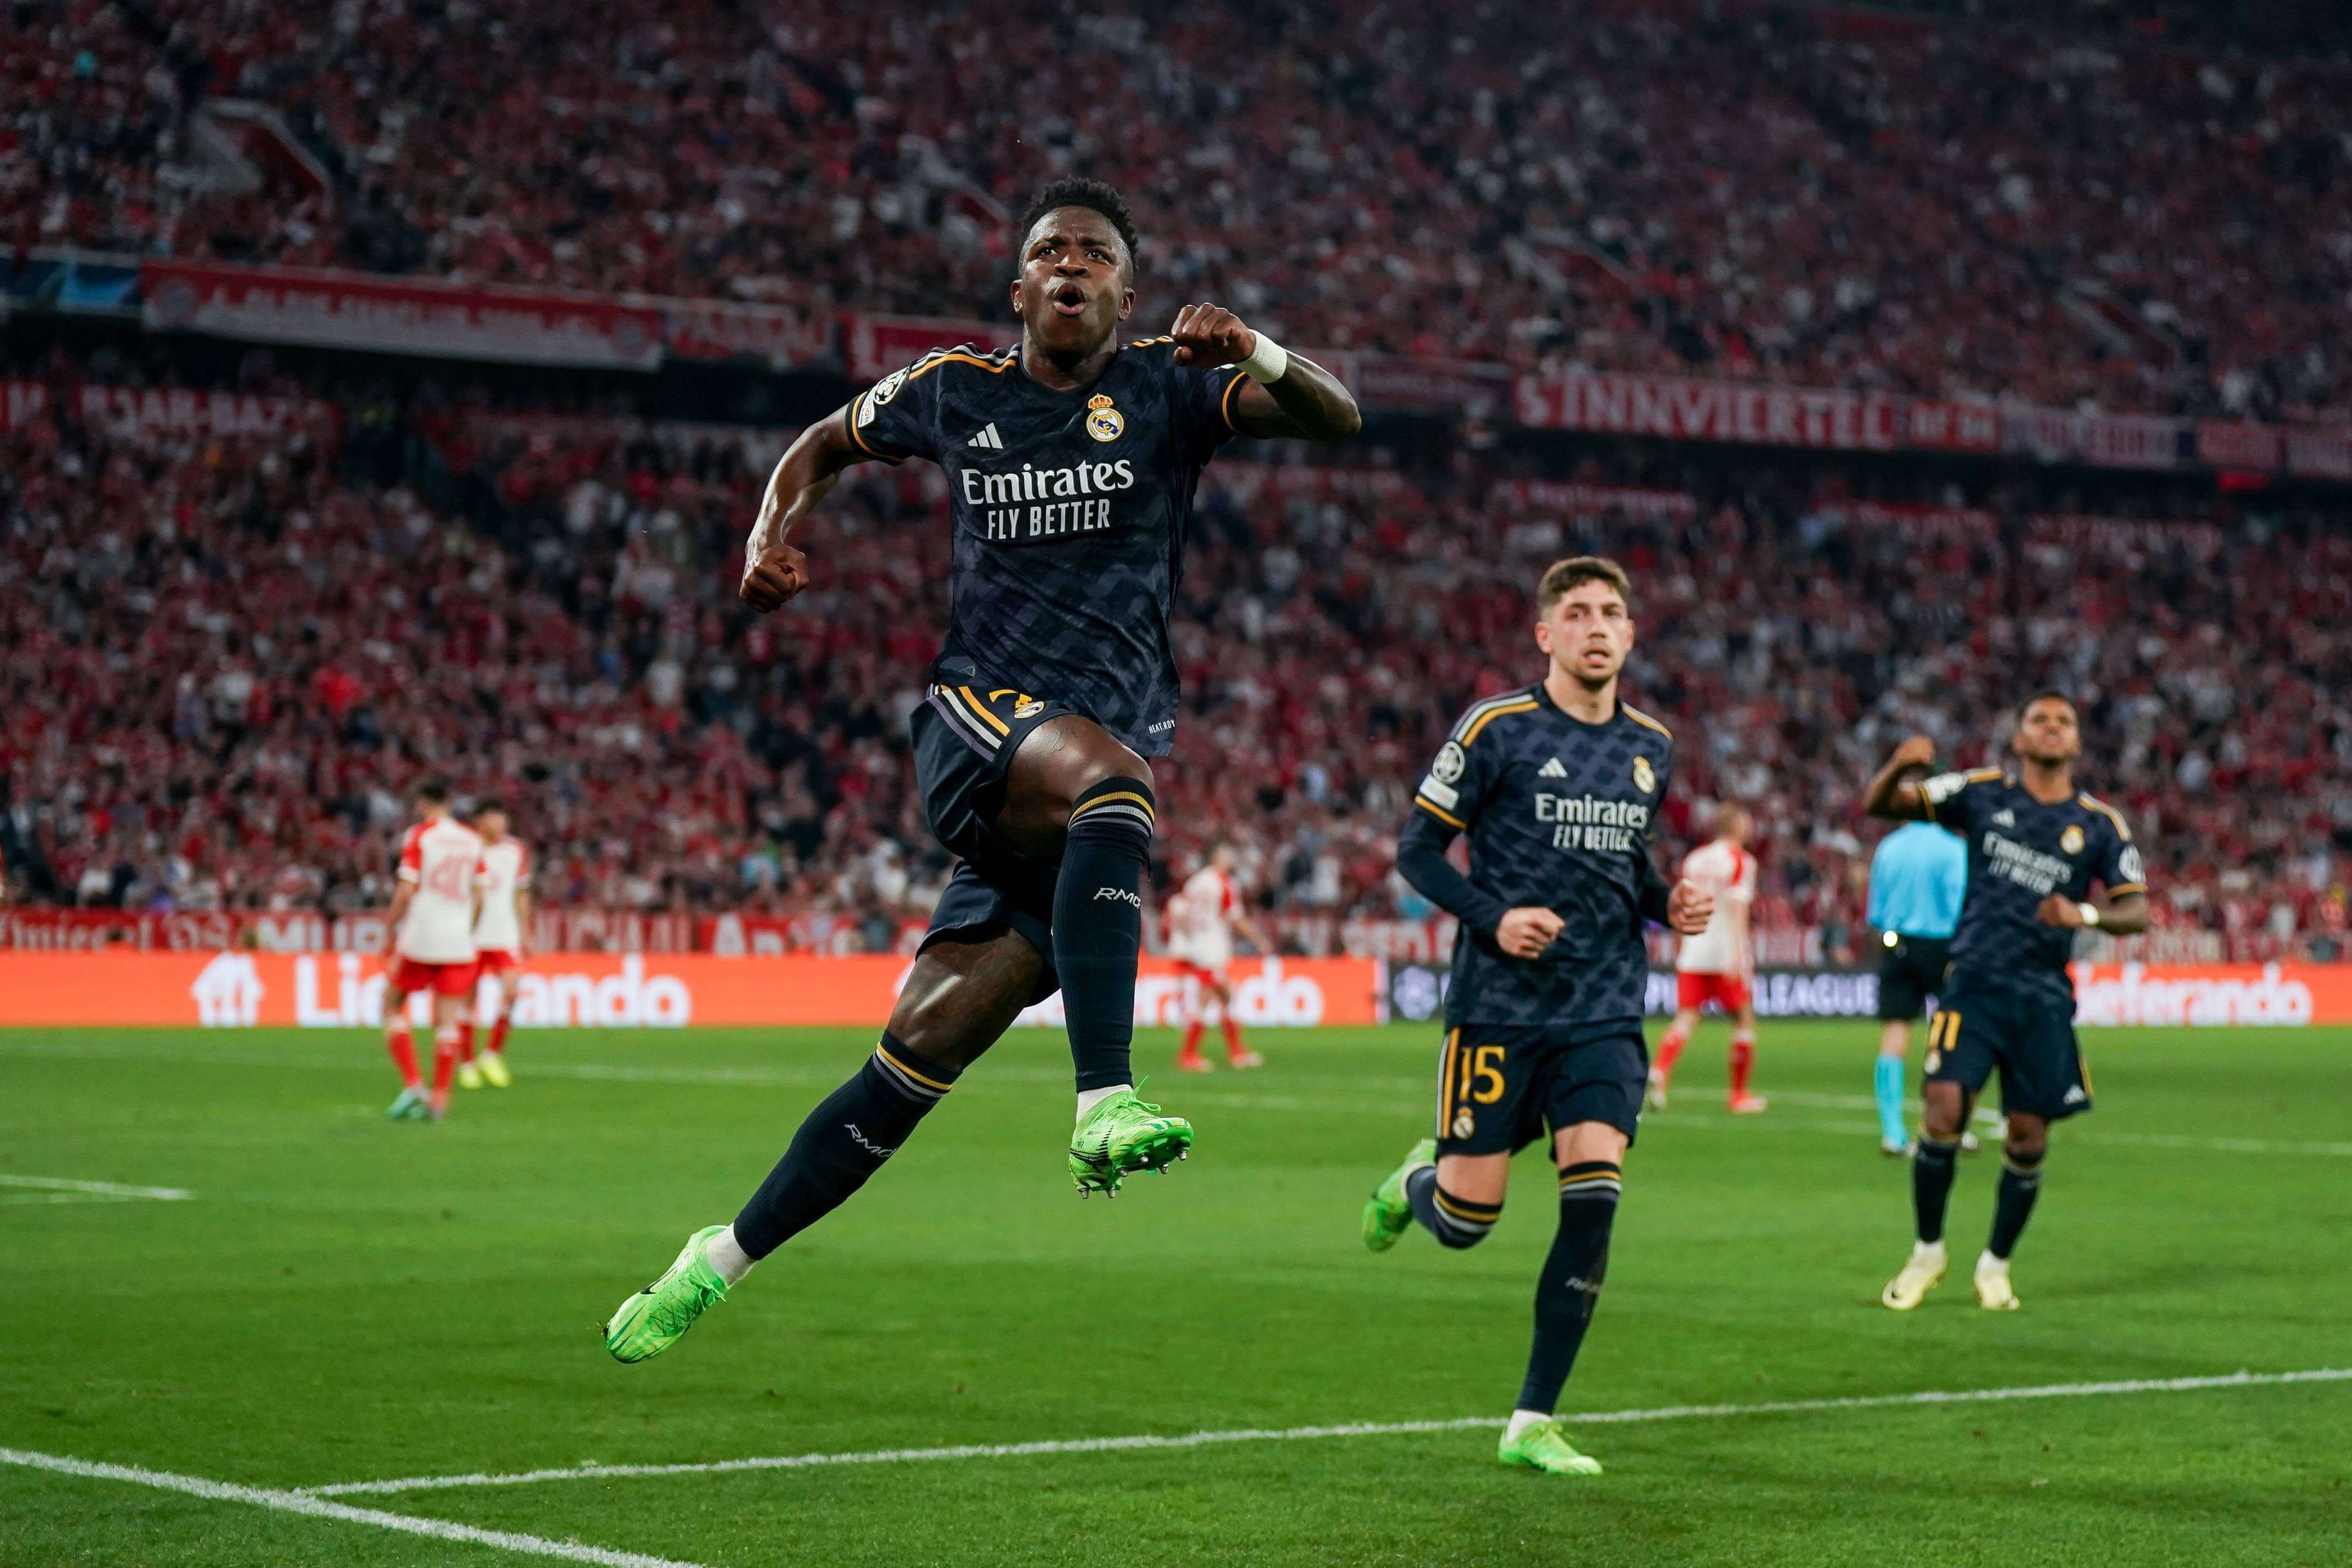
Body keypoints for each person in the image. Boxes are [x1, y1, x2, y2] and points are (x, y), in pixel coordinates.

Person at [605, 178, 1361, 1363]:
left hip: (1066, 799)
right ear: (1020, 288)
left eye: (1096, 253)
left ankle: (716, 1259)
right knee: (1118, 785)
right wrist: (770, 532)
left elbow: (1336, 415)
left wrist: (1258, 343)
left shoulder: (1169, 387)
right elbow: (821, 443)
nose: (1072, 264)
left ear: (1127, 290)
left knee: (912, 1063)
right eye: (1051, 250)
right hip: (983, 721)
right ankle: (1102, 1095)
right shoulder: (956, 389)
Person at [1359, 557, 1713, 1476]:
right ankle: (1414, 1186)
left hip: (1603, 1008)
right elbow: (1418, 852)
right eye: (1579, 613)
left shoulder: (1652, 746)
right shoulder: (1497, 729)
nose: (1598, 627)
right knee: (1470, 1222)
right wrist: (1495, 918)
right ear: (1545, 634)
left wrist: (1665, 902)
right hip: (1498, 1008)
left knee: (1594, 1197)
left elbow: (1626, 868)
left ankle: (1532, 1420)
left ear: (1631, 636)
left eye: (1612, 614)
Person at [1863, 694, 2147, 1311]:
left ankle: (1995, 1264)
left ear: (2076, 742)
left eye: (2063, 721)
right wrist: (1898, 765)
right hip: (1973, 983)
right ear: (2017, 738)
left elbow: (2137, 908)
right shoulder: (1982, 791)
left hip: (2043, 997)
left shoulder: (2099, 825)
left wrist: (2085, 912)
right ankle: (1927, 1253)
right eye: (2038, 719)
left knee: (2026, 1137)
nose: (2051, 728)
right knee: (1942, 1109)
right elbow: (1882, 804)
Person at [1646, 804, 1764, 1113]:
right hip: (1725, 951)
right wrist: (1740, 957)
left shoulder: (1695, 859)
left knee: (1686, 1017)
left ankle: (1658, 1072)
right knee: (1743, 1020)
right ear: (1737, 828)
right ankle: (1739, 1096)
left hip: (1694, 950)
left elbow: (1682, 905)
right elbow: (1738, 910)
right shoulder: (1741, 861)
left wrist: (1681, 948)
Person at [380, 778, 484, 1122]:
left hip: (423, 933)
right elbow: (480, 896)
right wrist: (467, 928)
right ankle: (440, 1098)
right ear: (451, 802)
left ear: (422, 804)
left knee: (393, 1004)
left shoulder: (420, 835)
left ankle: (413, 1085)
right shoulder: (472, 840)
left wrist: (390, 927)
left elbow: (407, 889)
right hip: (458, 938)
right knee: (448, 1018)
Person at [1866, 818, 1970, 1155]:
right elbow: (1960, 904)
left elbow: (1876, 910)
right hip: (1942, 946)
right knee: (1952, 1033)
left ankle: (1892, 1133)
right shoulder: (1953, 849)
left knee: (1895, 1032)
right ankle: (1952, 1125)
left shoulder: (1889, 846)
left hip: (1897, 944)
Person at [1168, 842, 1273, 1071]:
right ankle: (1189, 1055)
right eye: (1228, 856)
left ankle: (1236, 1052)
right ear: (1218, 858)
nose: (1232, 860)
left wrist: (1188, 938)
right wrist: (1259, 940)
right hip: (1212, 948)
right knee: (1211, 996)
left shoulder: (1197, 881)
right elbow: (1236, 918)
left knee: (1224, 997)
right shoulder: (1224, 883)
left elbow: (1178, 908)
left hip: (1199, 946)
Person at [455, 799, 531, 1090]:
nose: (501, 825)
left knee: (512, 991)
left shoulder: (515, 850)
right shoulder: (467, 848)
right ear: (481, 820)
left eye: (504, 819)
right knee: (467, 1000)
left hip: (504, 934)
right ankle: (467, 1064)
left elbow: (521, 893)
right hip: (470, 936)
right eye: (495, 818)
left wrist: (526, 931)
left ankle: (492, 1054)